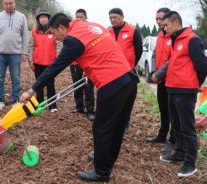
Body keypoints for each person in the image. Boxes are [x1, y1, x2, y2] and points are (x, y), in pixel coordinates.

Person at [20, 13, 138, 182]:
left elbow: (55, 67)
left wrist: (31, 91)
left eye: (55, 34)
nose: (57, 39)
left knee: (101, 128)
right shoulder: (91, 26)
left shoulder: (73, 38)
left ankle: (102, 172)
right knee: (117, 126)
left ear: (62, 27)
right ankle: (106, 159)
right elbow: (104, 50)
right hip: (129, 79)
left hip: (112, 84)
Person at [152, 11, 207, 178]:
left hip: (185, 91)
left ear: (176, 22)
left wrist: (194, 84)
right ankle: (180, 153)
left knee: (187, 128)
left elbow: (202, 66)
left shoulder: (193, 40)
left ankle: (190, 163)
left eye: (166, 24)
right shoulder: (175, 40)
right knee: (176, 126)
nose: (164, 27)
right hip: (172, 89)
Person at [0, 0, 29, 109]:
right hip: (0, 53)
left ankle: (15, 100)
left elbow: (25, 36)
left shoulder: (21, 17)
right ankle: (0, 100)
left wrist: (24, 52)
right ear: (3, 4)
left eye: (10, 3)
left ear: (14, 3)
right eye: (6, 3)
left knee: (15, 78)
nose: (8, 5)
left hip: (15, 53)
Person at [146, 7, 176, 154]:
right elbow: (154, 55)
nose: (158, 21)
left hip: (172, 80)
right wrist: (153, 72)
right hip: (161, 80)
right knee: (163, 108)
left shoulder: (174, 35)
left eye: (161, 18)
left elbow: (173, 59)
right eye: (156, 19)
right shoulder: (160, 35)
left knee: (174, 112)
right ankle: (162, 135)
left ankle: (174, 140)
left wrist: (159, 74)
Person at [108, 8, 142, 131]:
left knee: (126, 98)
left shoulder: (133, 31)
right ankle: (114, 122)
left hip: (127, 71)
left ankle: (125, 123)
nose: (112, 20)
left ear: (122, 16)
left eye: (115, 17)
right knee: (113, 97)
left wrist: (131, 63)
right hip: (112, 70)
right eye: (110, 18)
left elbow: (138, 51)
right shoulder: (108, 32)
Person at [28, 9, 61, 112]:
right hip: (38, 62)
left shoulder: (53, 31)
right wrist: (30, 60)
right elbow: (31, 46)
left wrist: (58, 59)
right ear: (38, 19)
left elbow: (58, 45)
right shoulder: (34, 31)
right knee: (39, 84)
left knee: (51, 85)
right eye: (41, 17)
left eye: (45, 17)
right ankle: (40, 105)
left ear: (48, 19)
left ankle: (52, 105)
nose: (43, 19)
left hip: (50, 63)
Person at [70, 9, 96, 121]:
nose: (78, 19)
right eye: (77, 17)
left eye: (81, 17)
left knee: (88, 87)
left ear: (86, 18)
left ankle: (90, 111)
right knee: (77, 86)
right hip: (75, 63)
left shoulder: (89, 30)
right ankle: (79, 106)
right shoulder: (73, 31)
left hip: (87, 64)